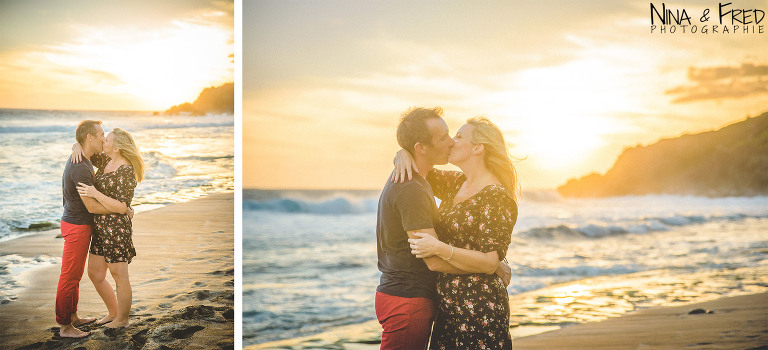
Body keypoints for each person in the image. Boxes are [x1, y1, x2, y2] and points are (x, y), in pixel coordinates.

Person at [376, 107, 511, 350]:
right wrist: (402, 153)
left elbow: (488, 261)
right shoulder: (455, 183)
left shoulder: (496, 197)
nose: (451, 142)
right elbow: (420, 167)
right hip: (448, 310)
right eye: (448, 136)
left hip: (479, 308)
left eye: (458, 137)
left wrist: (485, 264)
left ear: (478, 147)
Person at [72, 127, 144, 328]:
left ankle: (122, 319)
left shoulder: (126, 170)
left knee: (119, 276)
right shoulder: (105, 161)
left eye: (107, 139)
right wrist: (75, 146)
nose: (103, 141)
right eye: (103, 138)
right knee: (95, 273)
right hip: (100, 227)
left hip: (116, 229)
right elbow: (87, 147)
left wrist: (95, 193)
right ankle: (113, 312)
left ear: (117, 147)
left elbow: (121, 207)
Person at [58, 120, 122, 338]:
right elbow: (92, 206)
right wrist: (119, 209)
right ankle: (65, 326)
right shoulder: (81, 167)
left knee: (74, 276)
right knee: (69, 276)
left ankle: (73, 317)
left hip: (76, 223)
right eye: (101, 134)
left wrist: (75, 145)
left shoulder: (84, 158)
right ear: (90, 138)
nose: (104, 138)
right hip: (77, 226)